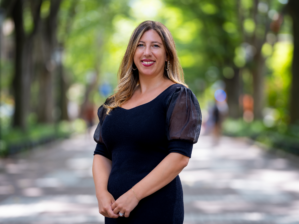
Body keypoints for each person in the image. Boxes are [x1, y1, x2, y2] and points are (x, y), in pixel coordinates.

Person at [92, 20, 202, 224]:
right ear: (132, 53)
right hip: (116, 210)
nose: (147, 52)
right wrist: (101, 194)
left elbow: (180, 157)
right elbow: (102, 153)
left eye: (156, 46)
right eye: (140, 45)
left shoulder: (178, 97)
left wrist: (134, 195)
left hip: (158, 209)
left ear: (168, 54)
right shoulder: (114, 103)